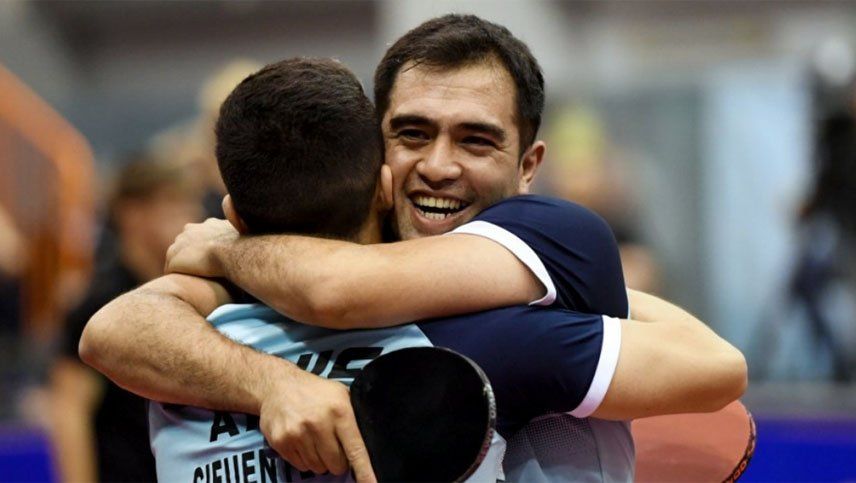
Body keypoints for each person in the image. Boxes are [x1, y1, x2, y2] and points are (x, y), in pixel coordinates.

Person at [81, 15, 746, 482]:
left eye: (475, 140)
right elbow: (114, 328)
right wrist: (272, 384)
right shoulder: (273, 291)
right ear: (377, 155)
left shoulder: (555, 239)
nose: (438, 165)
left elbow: (335, 290)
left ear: (529, 165)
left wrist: (230, 249)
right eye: (412, 133)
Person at [49, 156, 202, 482]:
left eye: (189, 203)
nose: (190, 217)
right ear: (132, 214)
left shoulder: (194, 292)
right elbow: (70, 411)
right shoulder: (97, 302)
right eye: (172, 204)